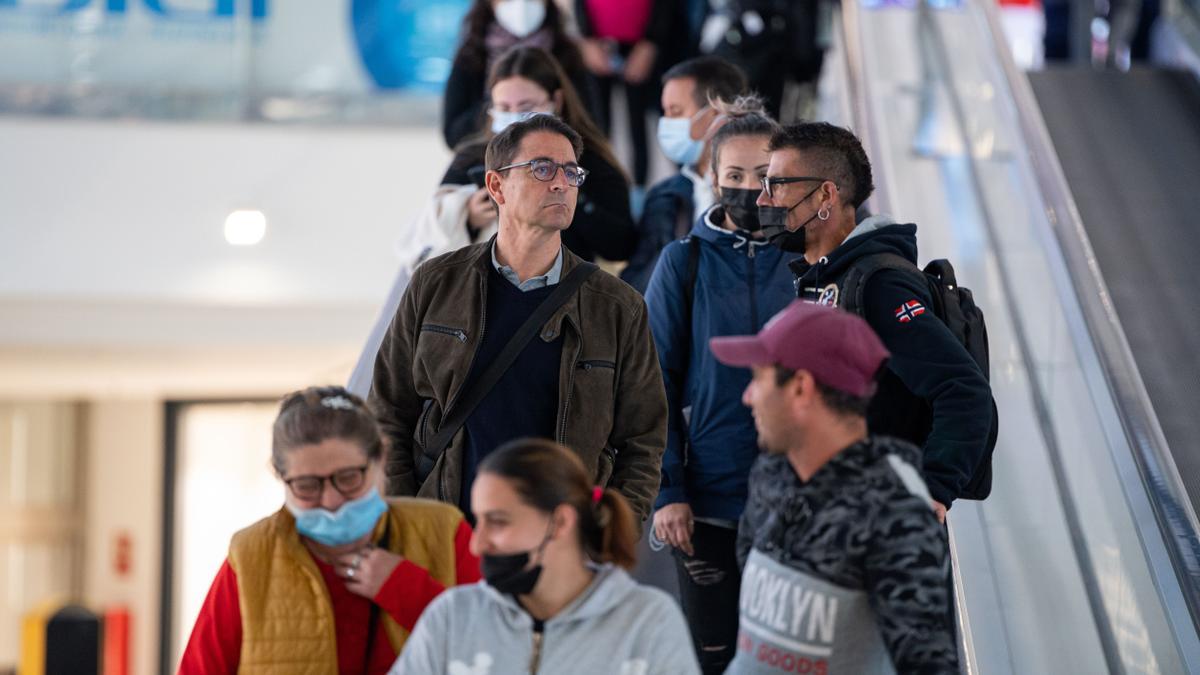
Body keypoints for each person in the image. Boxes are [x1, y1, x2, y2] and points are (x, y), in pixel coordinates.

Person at [369, 114, 667, 525]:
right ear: (496, 186)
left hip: (560, 543)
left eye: (571, 172)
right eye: (542, 168)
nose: (561, 183)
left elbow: (644, 440)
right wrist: (408, 518)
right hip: (447, 531)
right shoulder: (436, 283)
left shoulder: (617, 306)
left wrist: (606, 533)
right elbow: (387, 410)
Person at [756, 122, 992, 521]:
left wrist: (931, 489)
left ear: (825, 195)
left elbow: (963, 389)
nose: (763, 198)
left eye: (777, 184)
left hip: (872, 521)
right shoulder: (821, 279)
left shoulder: (879, 284)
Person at [709, 301, 958, 674]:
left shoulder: (893, 509)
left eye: (758, 378)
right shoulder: (771, 472)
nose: (748, 396)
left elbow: (927, 664)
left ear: (800, 388)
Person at [177, 386, 480, 675]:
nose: (331, 501)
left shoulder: (442, 531)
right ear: (281, 478)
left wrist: (405, 588)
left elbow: (498, 649)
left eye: (348, 478)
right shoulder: (251, 555)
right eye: (307, 486)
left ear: (380, 459)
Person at [643, 97, 794, 674]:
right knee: (715, 656)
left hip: (797, 501)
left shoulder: (809, 261)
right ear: (712, 179)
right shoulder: (684, 264)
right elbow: (651, 381)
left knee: (786, 656)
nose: (749, 189)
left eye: (764, 176)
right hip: (707, 502)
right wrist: (668, 491)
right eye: (734, 176)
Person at [389, 438, 700, 674]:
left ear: (560, 523)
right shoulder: (452, 616)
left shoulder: (648, 622)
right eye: (478, 520)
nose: (477, 544)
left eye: (497, 521)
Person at [440, 46, 637, 263]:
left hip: (566, 288)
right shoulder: (471, 158)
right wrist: (468, 217)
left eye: (526, 106)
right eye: (504, 108)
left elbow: (621, 246)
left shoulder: (587, 160)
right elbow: (432, 230)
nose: (515, 117)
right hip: (483, 286)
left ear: (556, 101)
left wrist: (570, 196)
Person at [620, 56, 749, 293]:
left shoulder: (766, 190)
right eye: (665, 112)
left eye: (675, 111)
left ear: (716, 114)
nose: (666, 123)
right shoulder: (664, 196)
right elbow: (634, 284)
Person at [442, 0, 598, 150]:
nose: (521, 5)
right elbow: (453, 135)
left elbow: (593, 126)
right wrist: (500, 109)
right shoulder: (471, 54)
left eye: (526, 105)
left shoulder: (568, 53)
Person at [574, 0, 673, 190]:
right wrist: (587, 38)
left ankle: (639, 190)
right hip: (597, 44)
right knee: (597, 124)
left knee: (638, 125)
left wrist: (651, 43)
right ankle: (598, 188)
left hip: (641, 45)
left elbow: (664, 8)